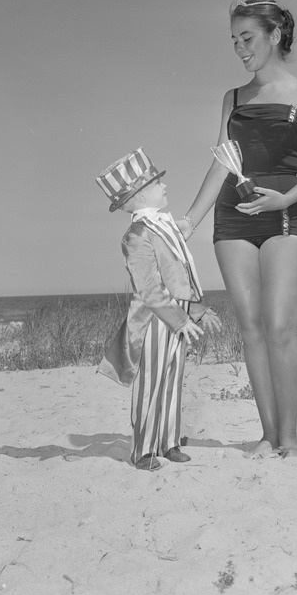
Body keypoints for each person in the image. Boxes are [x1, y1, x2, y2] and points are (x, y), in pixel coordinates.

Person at [177, 0, 297, 459]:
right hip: (232, 220)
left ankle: (291, 437)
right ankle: (268, 436)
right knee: (251, 329)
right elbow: (221, 165)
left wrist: (286, 197)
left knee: (280, 325)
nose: (239, 48)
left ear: (275, 35)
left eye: (247, 38)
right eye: (234, 40)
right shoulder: (232, 98)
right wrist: (189, 220)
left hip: (287, 215)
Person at [95, 148, 221, 471]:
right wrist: (179, 320)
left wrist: (196, 309)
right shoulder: (136, 235)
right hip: (154, 319)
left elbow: (180, 275)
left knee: (172, 378)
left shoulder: (163, 226)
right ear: (138, 196)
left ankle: (169, 441)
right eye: (156, 183)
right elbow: (149, 287)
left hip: (176, 315)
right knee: (150, 381)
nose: (164, 186)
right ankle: (143, 450)